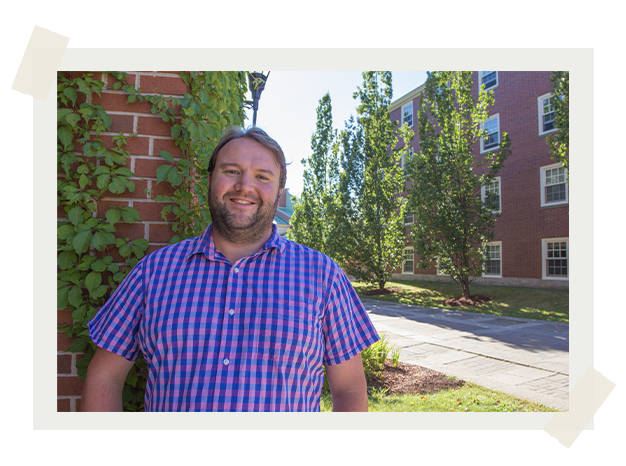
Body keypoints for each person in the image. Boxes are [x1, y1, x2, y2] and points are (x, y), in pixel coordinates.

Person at [82, 126, 380, 412]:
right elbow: (105, 375)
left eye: (262, 176)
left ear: (279, 193)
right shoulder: (154, 273)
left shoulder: (323, 277)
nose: (245, 186)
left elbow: (349, 389)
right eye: (231, 171)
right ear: (210, 180)